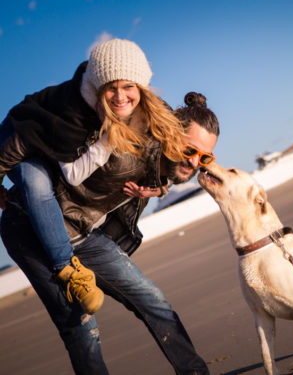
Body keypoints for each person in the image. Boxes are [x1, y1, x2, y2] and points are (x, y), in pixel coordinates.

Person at [1, 91, 219, 374]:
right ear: (170, 133)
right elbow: (34, 138)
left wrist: (162, 187)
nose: (193, 162)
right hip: (30, 225)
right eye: (189, 151)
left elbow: (170, 173)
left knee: (151, 298)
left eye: (204, 158)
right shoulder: (125, 139)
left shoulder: (166, 167)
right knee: (81, 324)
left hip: (83, 233)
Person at [0, 38, 185, 314]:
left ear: (141, 86)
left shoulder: (145, 107)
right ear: (99, 89)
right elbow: (20, 146)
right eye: (112, 88)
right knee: (37, 182)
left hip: (50, 146)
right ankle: (67, 268)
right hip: (21, 138)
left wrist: (162, 186)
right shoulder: (72, 114)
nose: (121, 96)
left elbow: (172, 150)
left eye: (128, 87)